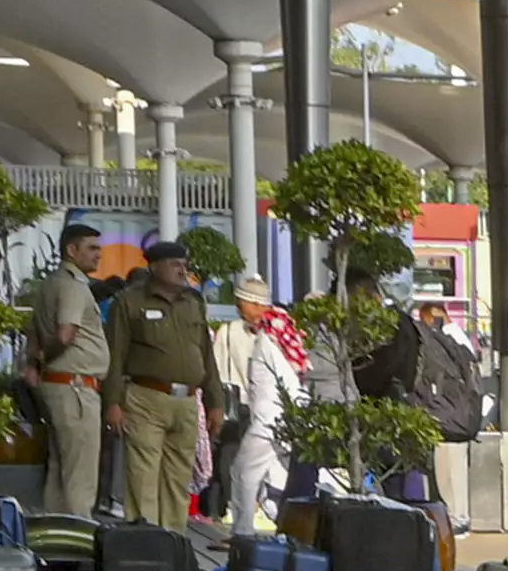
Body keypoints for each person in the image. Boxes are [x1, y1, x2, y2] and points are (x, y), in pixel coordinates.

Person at [104, 233, 220, 522]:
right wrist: (113, 403)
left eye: (184, 264)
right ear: (155, 267)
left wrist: (216, 402)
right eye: (174, 265)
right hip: (146, 398)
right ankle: (146, 544)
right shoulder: (129, 302)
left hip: (188, 402)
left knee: (178, 480)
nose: (183, 270)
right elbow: (115, 356)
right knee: (142, 477)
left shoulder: (193, 301)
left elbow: (206, 354)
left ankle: (172, 546)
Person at [22, 215, 112, 518]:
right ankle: (79, 540)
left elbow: (33, 330)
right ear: (71, 251)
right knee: (80, 476)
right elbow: (65, 333)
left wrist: (35, 361)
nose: (98, 254)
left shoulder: (50, 283)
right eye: (92, 248)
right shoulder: (73, 286)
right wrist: (45, 357)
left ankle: (56, 540)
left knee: (59, 471)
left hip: (59, 386)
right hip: (76, 387)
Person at [212, 275, 308, 534]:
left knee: (242, 472)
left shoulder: (269, 339)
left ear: (254, 305)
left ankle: (242, 533)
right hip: (277, 419)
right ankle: (286, 528)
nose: (238, 308)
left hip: (270, 420)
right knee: (275, 479)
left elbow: (288, 381)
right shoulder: (278, 333)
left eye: (241, 302)